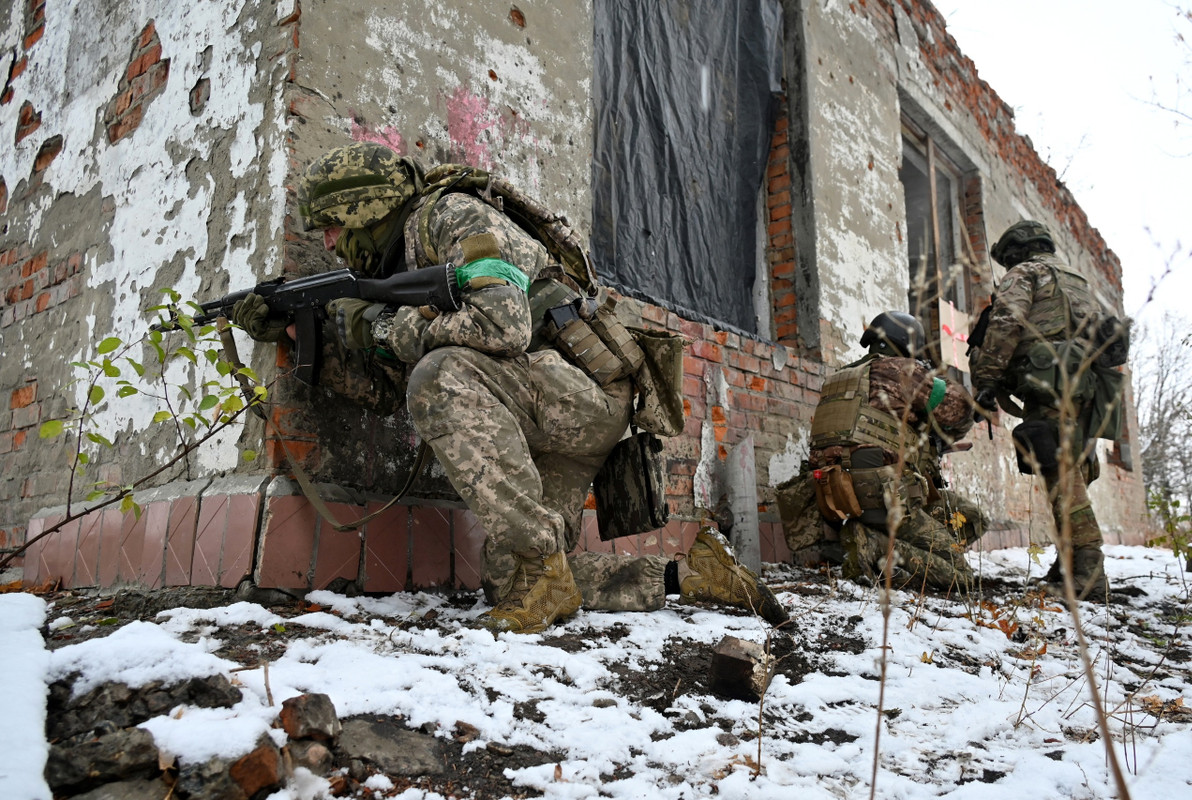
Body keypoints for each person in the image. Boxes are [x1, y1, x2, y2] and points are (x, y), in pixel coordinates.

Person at [232, 142, 788, 633]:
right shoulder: (400, 261)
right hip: (549, 401)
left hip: (581, 392)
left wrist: (381, 327)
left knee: (440, 374)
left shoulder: (448, 217)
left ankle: (545, 570)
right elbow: (386, 393)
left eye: (332, 226)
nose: (328, 242)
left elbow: (504, 325)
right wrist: (308, 338)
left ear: (365, 212)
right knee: (514, 580)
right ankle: (691, 575)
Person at [970, 220, 1110, 600]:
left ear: (1017, 249)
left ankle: (1088, 572)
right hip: (1084, 383)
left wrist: (986, 378)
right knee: (1073, 471)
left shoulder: (1026, 272)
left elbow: (1006, 322)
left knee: (1060, 473)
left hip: (1049, 380)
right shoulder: (1077, 279)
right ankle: (1068, 563)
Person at [802, 311, 984, 591]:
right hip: (886, 499)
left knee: (971, 515)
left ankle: (891, 559)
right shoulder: (905, 371)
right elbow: (958, 409)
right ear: (909, 345)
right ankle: (876, 545)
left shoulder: (840, 377)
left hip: (837, 497)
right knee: (962, 578)